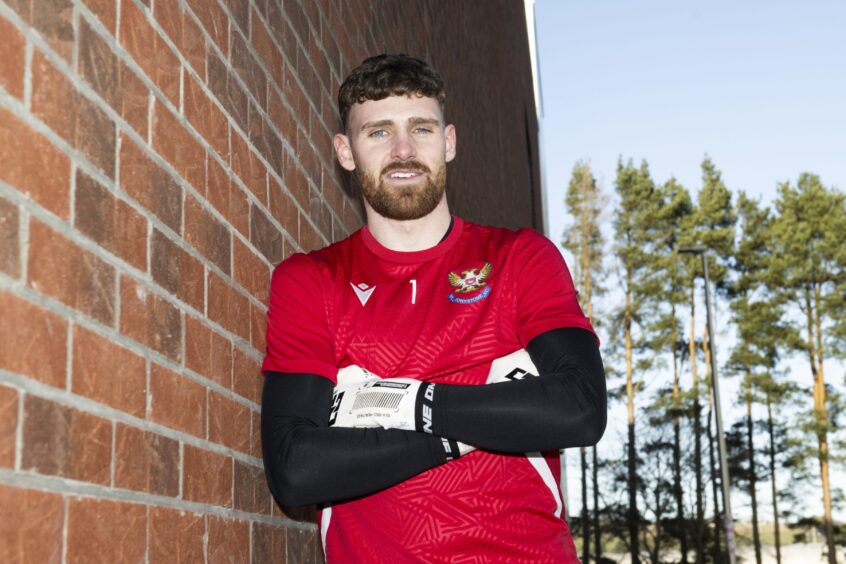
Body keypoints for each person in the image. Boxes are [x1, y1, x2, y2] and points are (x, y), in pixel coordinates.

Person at [261, 53, 607, 563]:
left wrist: (398, 405)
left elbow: (579, 408)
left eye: (420, 129)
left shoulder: (520, 258)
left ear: (448, 142)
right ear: (346, 152)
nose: (403, 150)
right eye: (378, 132)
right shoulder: (311, 281)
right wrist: (486, 417)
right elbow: (296, 469)